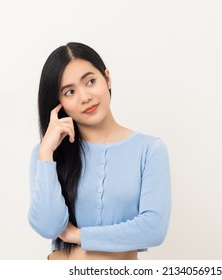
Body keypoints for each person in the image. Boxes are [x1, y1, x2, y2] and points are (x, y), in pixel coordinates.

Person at [28, 42, 171, 260]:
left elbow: (154, 229)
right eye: (70, 92)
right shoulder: (47, 154)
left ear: (107, 78)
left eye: (91, 81)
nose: (85, 97)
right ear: (60, 103)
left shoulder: (149, 149)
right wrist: (46, 154)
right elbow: (48, 227)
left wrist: (77, 235)